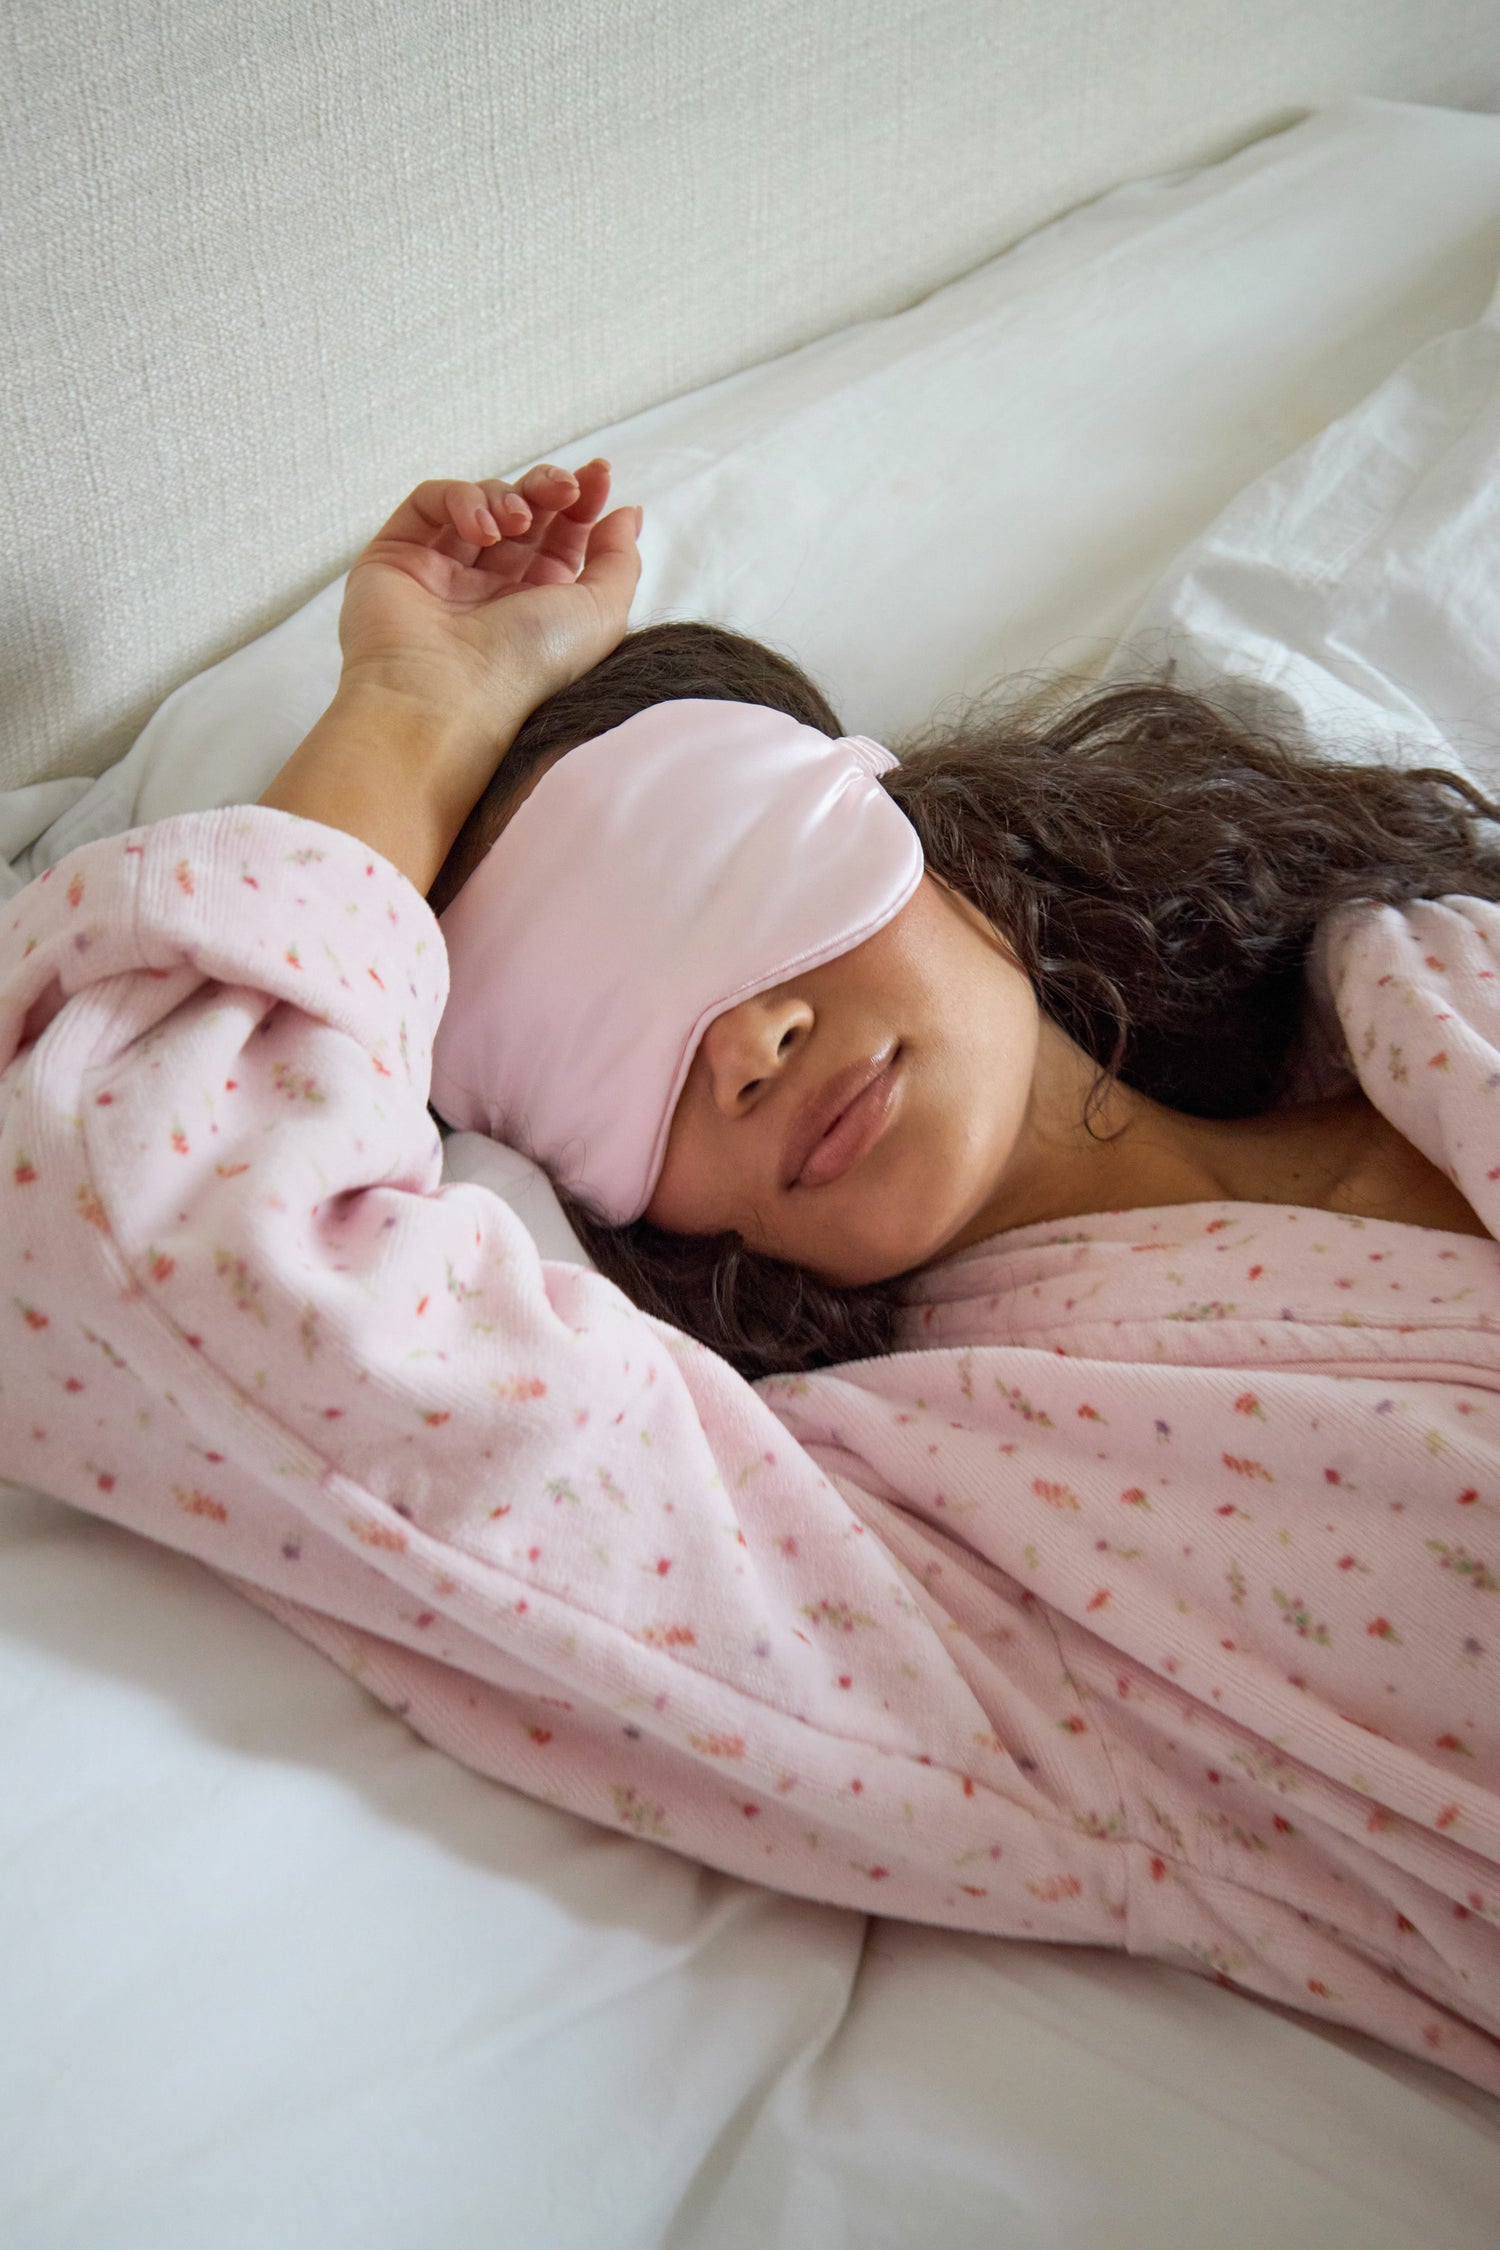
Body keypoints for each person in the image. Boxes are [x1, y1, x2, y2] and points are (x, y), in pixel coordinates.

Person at [6, 465, 1499, 2094]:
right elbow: (142, 1200)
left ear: (913, 825)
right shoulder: (922, 1547)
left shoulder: (1431, 973)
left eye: (722, 875)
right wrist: (414, 710)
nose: (746, 1037)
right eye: (598, 1046)